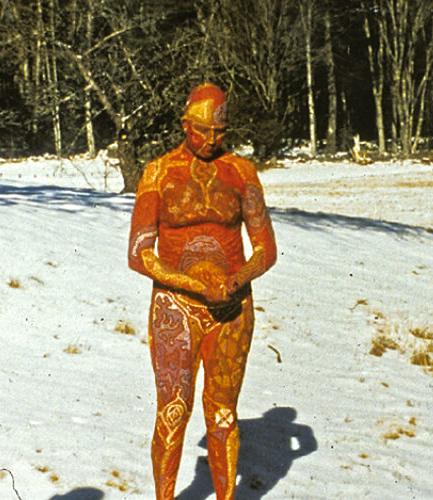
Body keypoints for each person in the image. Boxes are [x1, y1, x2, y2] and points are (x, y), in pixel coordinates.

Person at [128, 83, 277, 500]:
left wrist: (237, 278)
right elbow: (139, 254)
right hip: (176, 307)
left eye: (220, 132)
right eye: (202, 131)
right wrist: (195, 284)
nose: (211, 140)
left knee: (224, 414)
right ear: (184, 125)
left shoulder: (242, 172)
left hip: (231, 308)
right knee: (173, 413)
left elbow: (266, 248)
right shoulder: (158, 172)